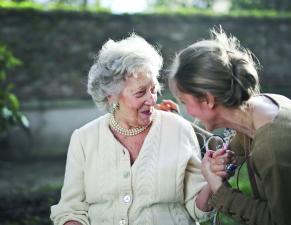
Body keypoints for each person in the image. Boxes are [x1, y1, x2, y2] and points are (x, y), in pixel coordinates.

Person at [50, 34, 231, 225]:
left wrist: (212, 180)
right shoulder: (84, 139)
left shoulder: (178, 129)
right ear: (111, 96)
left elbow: (198, 210)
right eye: (140, 92)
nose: (152, 99)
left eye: (153, 89)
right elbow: (70, 210)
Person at [168, 27, 291, 225]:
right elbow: (237, 151)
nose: (188, 111)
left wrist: (220, 192)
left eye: (185, 102)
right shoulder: (263, 106)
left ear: (207, 100)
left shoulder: (273, 148)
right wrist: (223, 161)